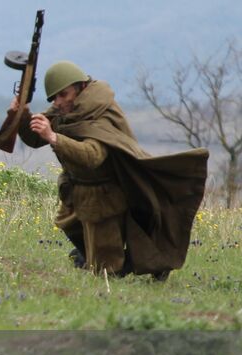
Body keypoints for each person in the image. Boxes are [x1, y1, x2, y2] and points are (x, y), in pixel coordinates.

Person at [13, 61, 208, 279]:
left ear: (80, 88)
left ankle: (126, 276)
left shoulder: (101, 114)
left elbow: (92, 156)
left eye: (62, 95)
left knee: (106, 268)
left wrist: (54, 137)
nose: (57, 103)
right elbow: (34, 138)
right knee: (71, 227)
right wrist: (22, 115)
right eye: (53, 98)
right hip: (77, 193)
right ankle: (95, 258)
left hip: (104, 199)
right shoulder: (69, 111)